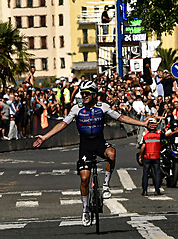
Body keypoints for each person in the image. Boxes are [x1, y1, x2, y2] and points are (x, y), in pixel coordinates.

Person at [33, 80, 150, 227]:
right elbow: (63, 124)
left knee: (112, 153)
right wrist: (45, 137)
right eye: (82, 94)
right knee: (84, 179)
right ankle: (85, 209)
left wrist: (143, 124)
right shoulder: (77, 109)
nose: (84, 96)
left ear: (94, 94)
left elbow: (121, 118)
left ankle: (106, 186)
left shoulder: (103, 107)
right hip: (85, 147)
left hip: (100, 143)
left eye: (87, 94)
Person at [138, 118, 163, 196]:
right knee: (157, 173)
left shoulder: (145, 134)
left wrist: (140, 156)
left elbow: (143, 146)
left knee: (145, 173)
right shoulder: (159, 133)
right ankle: (157, 190)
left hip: (147, 156)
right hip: (156, 156)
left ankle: (144, 191)